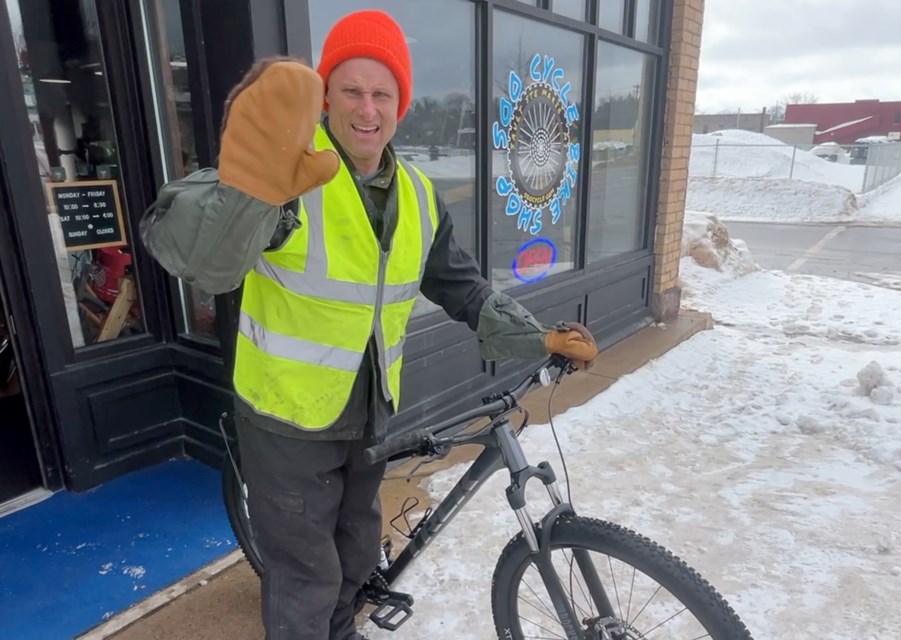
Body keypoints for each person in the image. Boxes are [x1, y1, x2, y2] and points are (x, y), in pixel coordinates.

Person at [143, 10, 598, 640]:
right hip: (287, 418)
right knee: (306, 577)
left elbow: (461, 285)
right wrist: (244, 193)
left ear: (400, 106)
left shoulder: (416, 193)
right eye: (351, 90)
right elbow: (199, 259)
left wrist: (536, 335)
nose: (367, 108)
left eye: (382, 93)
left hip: (368, 414)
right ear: (326, 96)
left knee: (355, 557)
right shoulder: (287, 173)